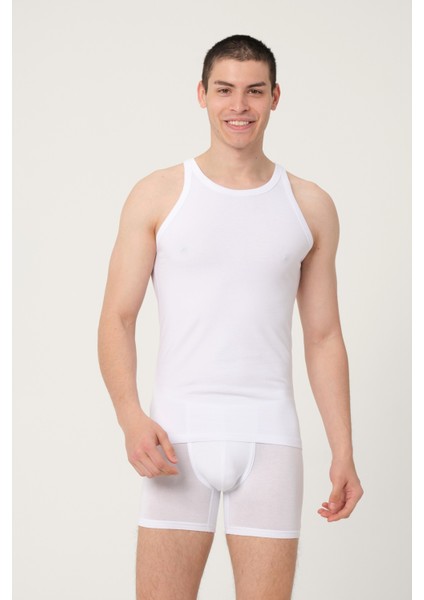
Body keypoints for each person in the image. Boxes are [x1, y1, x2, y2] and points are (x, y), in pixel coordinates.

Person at [97, 34, 364, 600]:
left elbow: (323, 336)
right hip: (175, 437)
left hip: (271, 438)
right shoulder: (158, 194)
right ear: (201, 94)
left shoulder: (309, 205)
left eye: (254, 91)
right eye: (224, 90)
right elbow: (117, 317)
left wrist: (343, 450)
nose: (239, 106)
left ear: (275, 97)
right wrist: (130, 417)